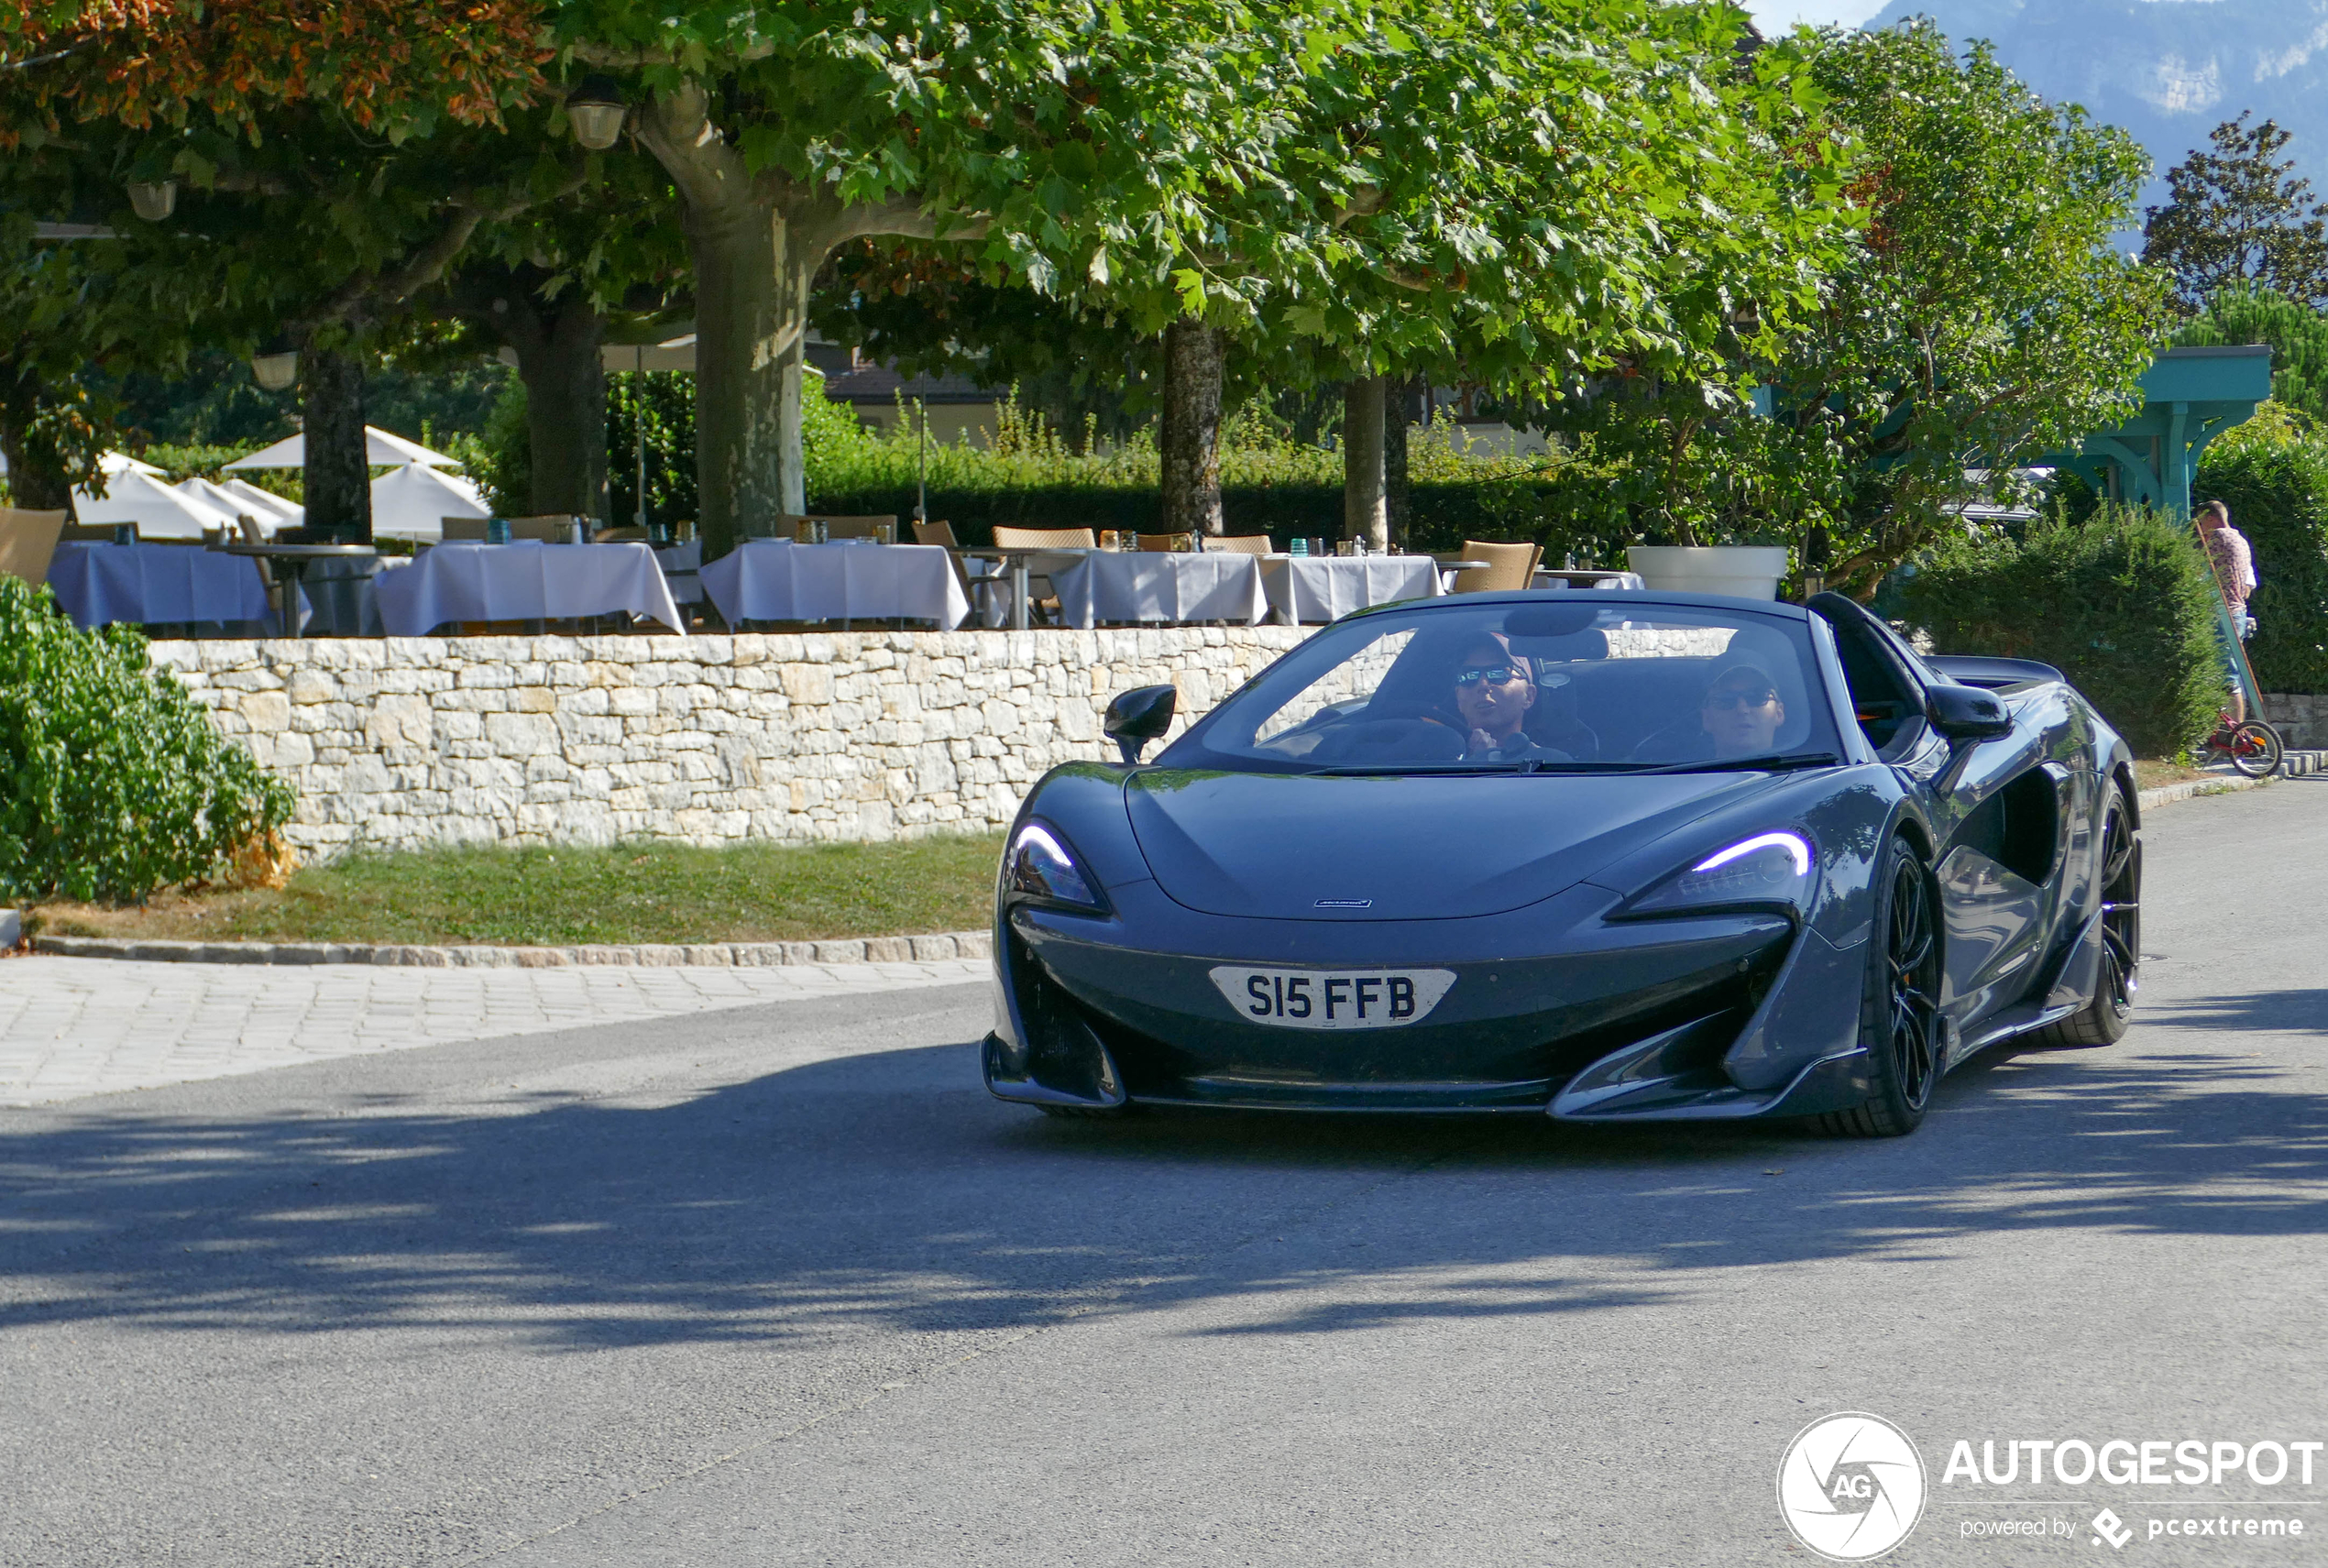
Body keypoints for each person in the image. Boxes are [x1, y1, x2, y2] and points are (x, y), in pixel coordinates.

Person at [1449, 635, 1563, 762]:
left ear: (1529, 696)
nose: (1483, 685)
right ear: (1458, 697)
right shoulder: (1432, 763)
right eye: (1469, 676)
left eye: (1498, 674)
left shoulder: (1550, 765)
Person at [2196, 499, 2259, 722]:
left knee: (2227, 676)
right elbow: (2249, 587)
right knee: (2229, 672)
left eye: (2200, 522)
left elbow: (2192, 564)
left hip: (2224, 614)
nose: (2199, 528)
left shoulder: (2219, 538)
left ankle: (2233, 733)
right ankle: (2230, 731)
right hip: (2238, 612)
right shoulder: (2241, 540)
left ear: (2210, 518)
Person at [1697, 664, 1788, 760]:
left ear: (1779, 713)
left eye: (1757, 697)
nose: (1742, 710)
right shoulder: (1688, 774)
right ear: (1706, 718)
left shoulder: (1803, 768)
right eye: (1726, 699)